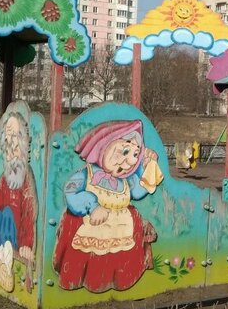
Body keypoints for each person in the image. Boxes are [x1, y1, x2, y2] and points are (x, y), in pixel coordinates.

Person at [53, 119, 163, 292]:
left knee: (118, 258)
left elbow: (138, 192)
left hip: (120, 227)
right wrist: (92, 206)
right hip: (92, 224)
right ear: (104, 145)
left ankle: (119, 280)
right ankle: (82, 279)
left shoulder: (126, 181)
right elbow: (71, 192)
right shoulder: (87, 174)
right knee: (86, 254)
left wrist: (147, 166)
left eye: (135, 155)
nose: (128, 161)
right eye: (124, 151)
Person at [0, 112, 37, 292]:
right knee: (4, 214)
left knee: (9, 216)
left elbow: (29, 211)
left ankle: (3, 264)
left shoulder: (26, 177)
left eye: (14, 134)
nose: (10, 142)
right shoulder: (5, 178)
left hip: (19, 234)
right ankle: (1, 264)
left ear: (23, 142)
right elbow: (0, 203)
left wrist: (27, 242)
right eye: (7, 134)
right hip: (4, 232)